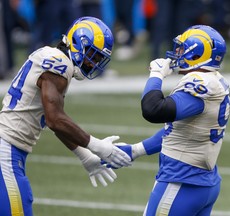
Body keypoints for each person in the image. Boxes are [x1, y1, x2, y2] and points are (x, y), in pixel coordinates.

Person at [0, 16, 132, 216]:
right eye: (92, 56)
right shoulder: (59, 63)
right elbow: (55, 119)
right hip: (6, 153)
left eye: (97, 59)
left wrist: (85, 155)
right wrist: (97, 146)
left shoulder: (50, 56)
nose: (93, 63)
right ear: (79, 44)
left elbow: (51, 117)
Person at [116, 25, 230, 215]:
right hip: (202, 182)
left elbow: (153, 110)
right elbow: (179, 131)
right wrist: (136, 150)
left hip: (183, 181)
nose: (178, 52)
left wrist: (156, 75)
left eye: (183, 48)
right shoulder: (214, 80)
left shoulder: (200, 83)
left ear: (197, 55)